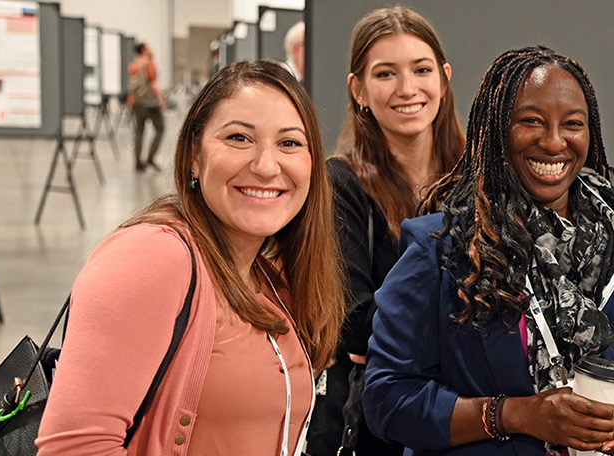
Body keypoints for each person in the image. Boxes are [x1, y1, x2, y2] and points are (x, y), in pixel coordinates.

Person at [362, 45, 614, 455]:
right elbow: (387, 399)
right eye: (531, 121)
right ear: (495, 130)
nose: (554, 142)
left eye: (572, 124)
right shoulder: (444, 249)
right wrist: (517, 415)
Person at [36, 59, 346, 455]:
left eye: (289, 143)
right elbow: (76, 448)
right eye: (238, 138)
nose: (267, 166)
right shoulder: (152, 258)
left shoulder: (266, 275)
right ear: (194, 156)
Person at [305, 6, 464, 456]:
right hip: (381, 426)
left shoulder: (478, 176)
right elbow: (353, 323)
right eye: (385, 74)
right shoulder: (341, 184)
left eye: (421, 69)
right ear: (358, 90)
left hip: (469, 411)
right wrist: (470, 320)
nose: (407, 89)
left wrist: (401, 326)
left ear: (444, 77)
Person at [127, 42, 167, 172]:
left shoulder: (133, 64)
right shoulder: (149, 64)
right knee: (160, 128)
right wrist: (161, 98)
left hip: (135, 102)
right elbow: (153, 83)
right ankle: (150, 157)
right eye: (149, 46)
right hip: (149, 103)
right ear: (144, 50)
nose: (152, 48)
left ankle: (138, 161)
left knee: (139, 131)